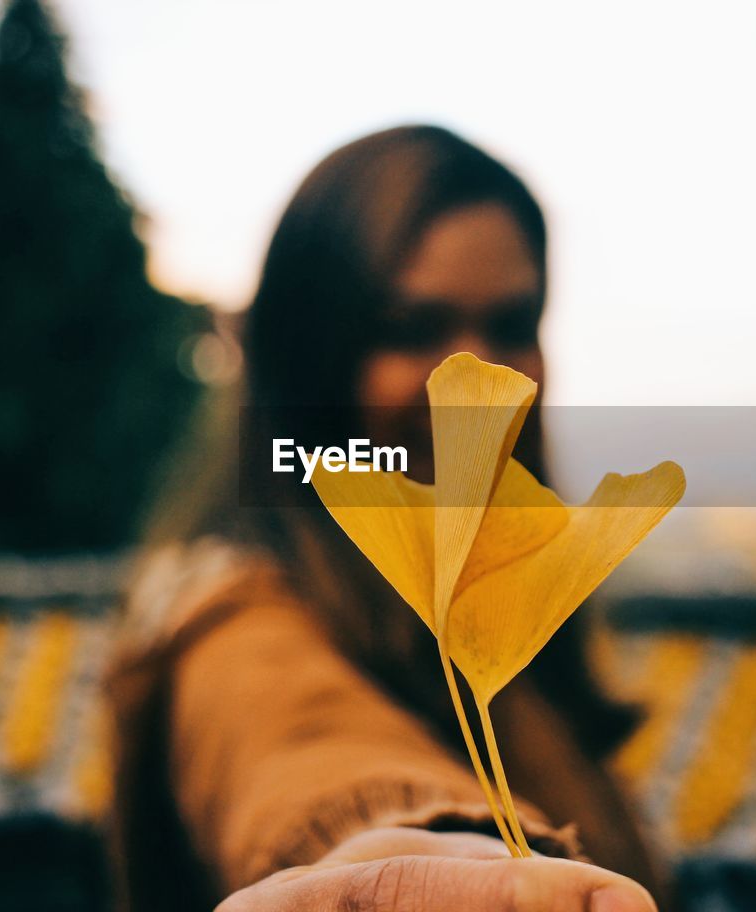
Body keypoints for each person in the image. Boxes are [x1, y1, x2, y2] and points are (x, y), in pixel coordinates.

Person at [104, 125, 667, 912]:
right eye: (411, 329)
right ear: (308, 361)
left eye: (512, 324)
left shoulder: (488, 608)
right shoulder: (232, 617)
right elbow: (295, 736)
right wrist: (399, 850)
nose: (475, 372)